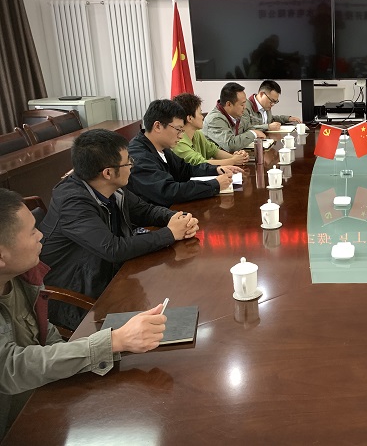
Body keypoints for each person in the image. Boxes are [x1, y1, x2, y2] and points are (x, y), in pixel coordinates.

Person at [0, 188, 167, 436]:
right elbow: (11, 367)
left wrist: (109, 346)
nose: (41, 235)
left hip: (42, 401)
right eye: (32, 231)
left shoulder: (26, 276)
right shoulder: (73, 200)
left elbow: (49, 338)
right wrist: (113, 341)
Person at [40, 129, 199, 330]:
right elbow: (113, 249)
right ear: (107, 172)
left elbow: (144, 210)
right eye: (128, 162)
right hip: (78, 297)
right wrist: (170, 234)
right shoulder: (72, 203)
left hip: (110, 276)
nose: (132, 164)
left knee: (177, 295)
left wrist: (178, 219)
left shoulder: (110, 186)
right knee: (167, 320)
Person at [129, 100, 235, 207]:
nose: (181, 136)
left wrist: (215, 170)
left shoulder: (162, 147)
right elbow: (169, 191)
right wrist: (214, 185)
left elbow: (185, 169)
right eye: (178, 129)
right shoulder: (138, 156)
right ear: (157, 126)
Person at [172, 93, 249, 166]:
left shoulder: (197, 134)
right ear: (190, 118)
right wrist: (233, 160)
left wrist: (237, 157)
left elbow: (214, 151)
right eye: (200, 113)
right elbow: (201, 163)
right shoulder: (178, 142)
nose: (202, 117)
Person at [203, 82, 266, 152]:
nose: (245, 107)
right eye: (242, 104)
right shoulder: (214, 119)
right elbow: (231, 145)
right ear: (229, 104)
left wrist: (265, 128)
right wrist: (254, 133)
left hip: (234, 156)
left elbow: (248, 128)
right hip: (215, 158)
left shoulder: (236, 114)